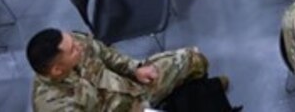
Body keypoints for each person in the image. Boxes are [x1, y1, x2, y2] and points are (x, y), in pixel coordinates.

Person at [27, 27, 221, 111]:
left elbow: (106, 54)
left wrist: (134, 68)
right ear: (57, 70)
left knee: (191, 58)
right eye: (72, 50)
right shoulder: (53, 106)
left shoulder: (75, 42)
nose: (79, 45)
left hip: (131, 86)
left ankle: (205, 90)